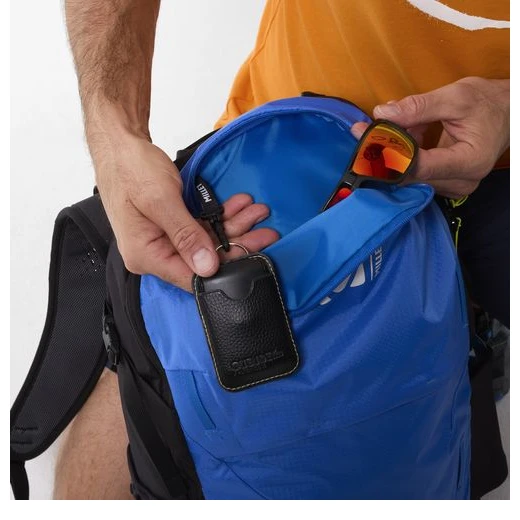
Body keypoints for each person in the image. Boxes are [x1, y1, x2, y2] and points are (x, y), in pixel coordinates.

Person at [55, 0, 509, 499]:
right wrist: (113, 131)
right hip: (292, 147)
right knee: (162, 377)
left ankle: (463, 326)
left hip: (497, 175)